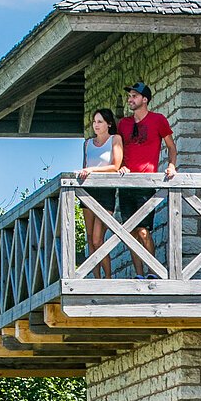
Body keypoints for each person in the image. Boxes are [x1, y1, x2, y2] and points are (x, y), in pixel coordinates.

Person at [116, 81, 178, 273]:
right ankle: (140, 275)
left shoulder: (158, 120)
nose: (130, 99)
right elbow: (116, 150)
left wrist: (171, 166)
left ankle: (153, 273)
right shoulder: (123, 124)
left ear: (145, 99)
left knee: (143, 231)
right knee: (131, 232)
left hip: (145, 182)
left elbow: (171, 147)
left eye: (134, 96)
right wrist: (120, 166)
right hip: (126, 183)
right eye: (129, 96)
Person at [79, 107, 123, 279]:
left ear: (109, 124)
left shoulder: (115, 139)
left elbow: (116, 166)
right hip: (88, 191)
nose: (96, 125)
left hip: (105, 192)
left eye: (100, 122)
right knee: (90, 238)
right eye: (94, 122)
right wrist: (86, 171)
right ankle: (96, 278)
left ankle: (108, 277)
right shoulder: (87, 144)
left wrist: (92, 170)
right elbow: (84, 165)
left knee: (98, 238)